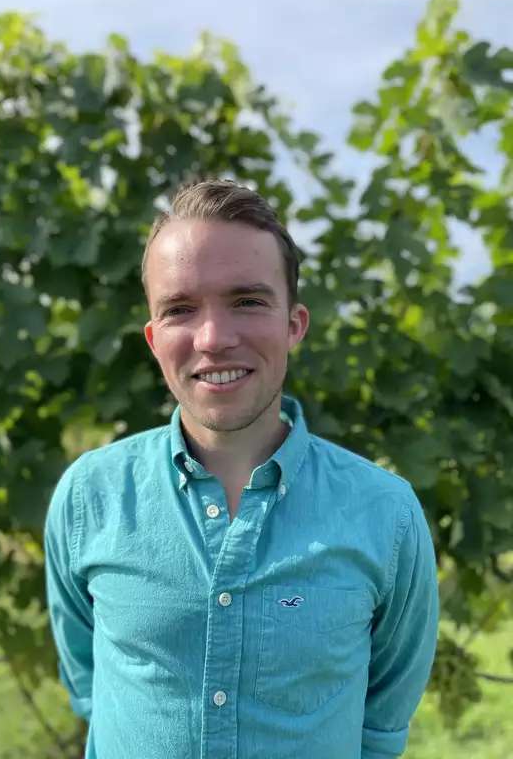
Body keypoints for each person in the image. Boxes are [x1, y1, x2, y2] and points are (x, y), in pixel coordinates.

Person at [44, 179, 439, 759]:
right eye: (180, 309)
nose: (213, 338)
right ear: (154, 339)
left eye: (247, 302)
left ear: (294, 324)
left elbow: (382, 721)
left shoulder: (388, 514)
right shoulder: (88, 498)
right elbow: (89, 684)